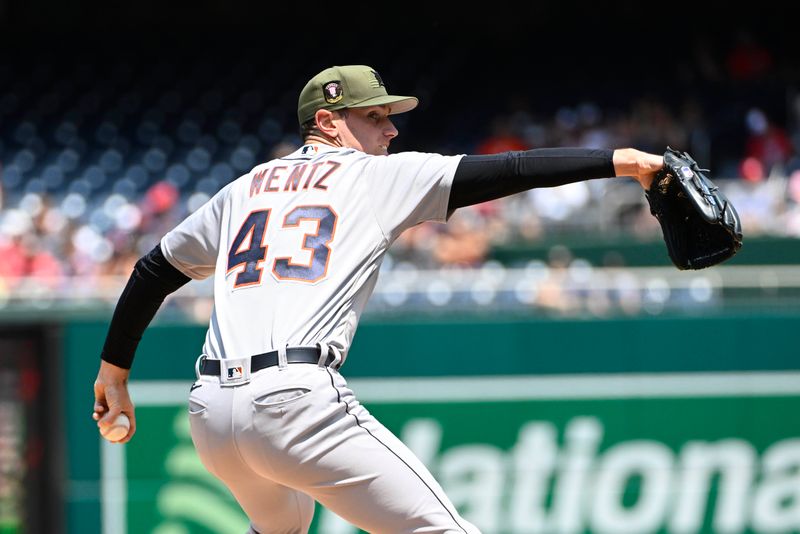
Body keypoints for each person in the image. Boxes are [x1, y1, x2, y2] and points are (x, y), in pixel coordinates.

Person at [93, 65, 664, 533]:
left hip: (211, 412)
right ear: (327, 122)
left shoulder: (243, 188)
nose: (390, 131)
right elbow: (510, 169)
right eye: (375, 117)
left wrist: (114, 372)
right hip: (294, 401)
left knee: (285, 525)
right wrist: (622, 162)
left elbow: (154, 269)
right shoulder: (371, 177)